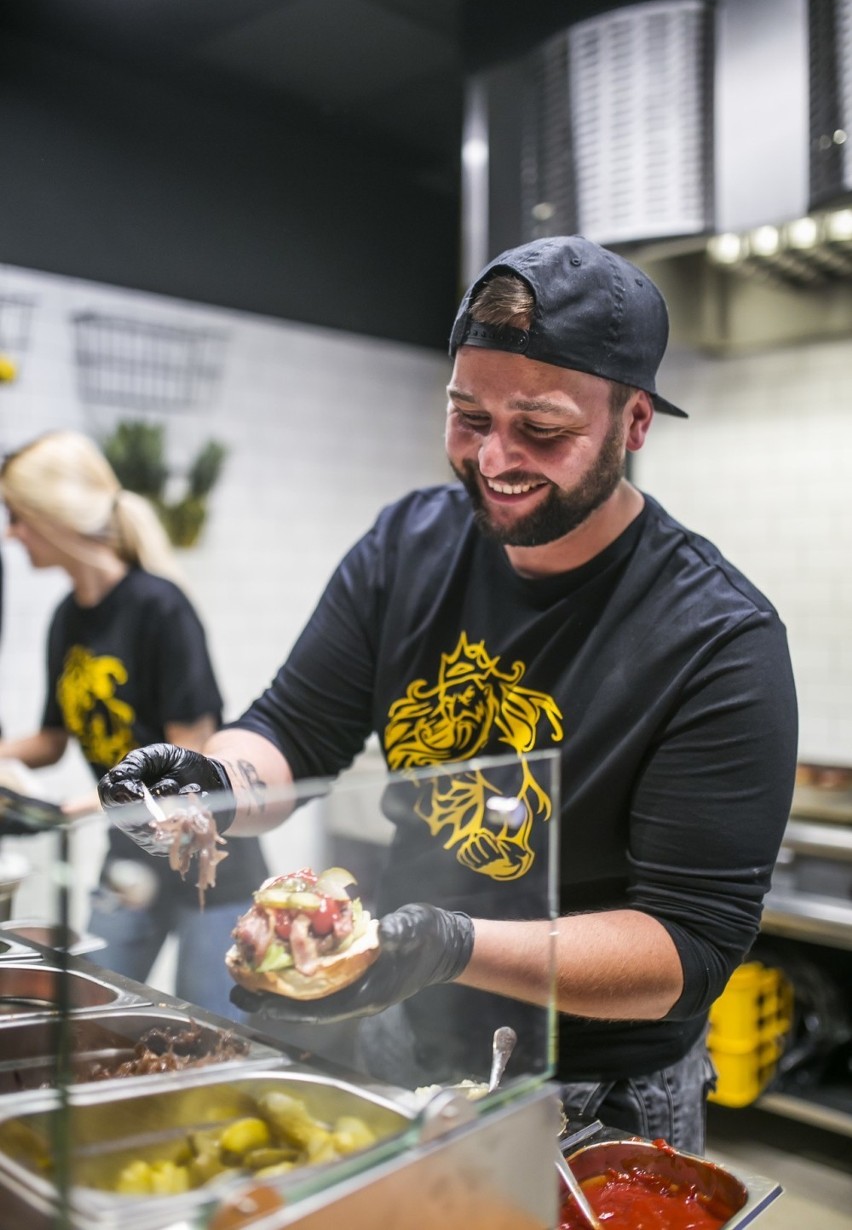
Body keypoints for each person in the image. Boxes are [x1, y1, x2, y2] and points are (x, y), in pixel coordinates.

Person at [98, 236, 797, 1153]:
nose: (493, 455)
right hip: (405, 1040)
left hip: (595, 1095)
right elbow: (294, 735)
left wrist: (451, 945)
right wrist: (207, 779)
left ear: (635, 423)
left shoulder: (717, 637)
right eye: (468, 415)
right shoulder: (407, 546)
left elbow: (686, 950)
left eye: (541, 429)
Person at [0, 429, 268, 1016]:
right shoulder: (67, 616)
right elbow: (51, 741)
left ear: (53, 514)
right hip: (130, 857)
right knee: (95, 1018)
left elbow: (187, 763)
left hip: (210, 869)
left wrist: (75, 808)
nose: (11, 532)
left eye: (17, 516)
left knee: (211, 1035)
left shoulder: (160, 607)